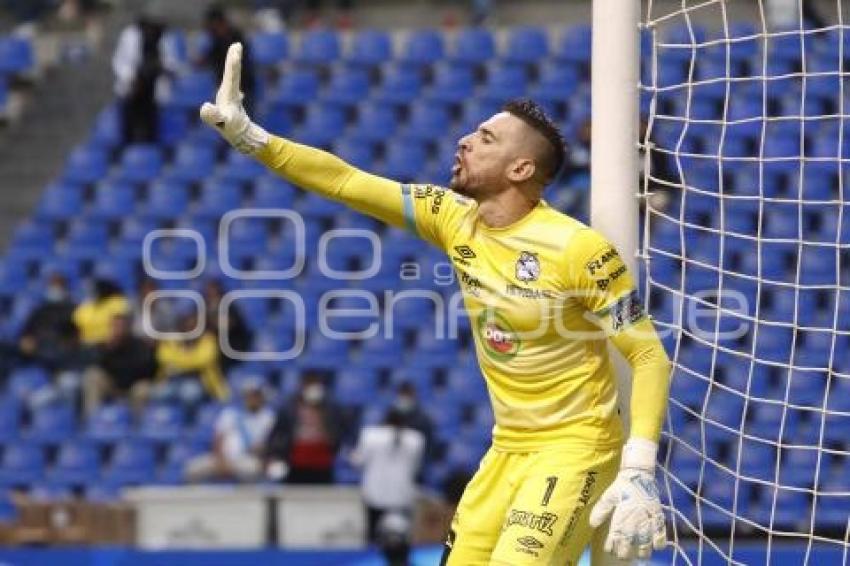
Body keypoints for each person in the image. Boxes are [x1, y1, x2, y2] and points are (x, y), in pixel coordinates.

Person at [201, 44, 671, 564]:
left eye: (485, 138)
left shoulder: (579, 250)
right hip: (506, 450)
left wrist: (638, 468)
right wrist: (251, 138)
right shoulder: (451, 217)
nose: (465, 140)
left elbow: (648, 355)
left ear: (519, 168)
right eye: (472, 132)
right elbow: (345, 181)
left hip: (575, 450)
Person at [351, 408, 425, 545]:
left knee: (373, 535)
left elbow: (359, 461)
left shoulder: (370, 436)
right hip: (402, 494)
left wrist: (350, 456)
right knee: (402, 535)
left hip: (375, 494)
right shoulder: (415, 439)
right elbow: (417, 467)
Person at [185, 376, 275, 483]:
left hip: (247, 459)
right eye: (249, 395)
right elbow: (218, 439)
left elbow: (267, 444)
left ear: (262, 397)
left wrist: (259, 451)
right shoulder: (230, 413)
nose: (252, 398)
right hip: (222, 459)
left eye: (255, 395)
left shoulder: (268, 417)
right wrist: (221, 461)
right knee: (192, 469)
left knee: (253, 470)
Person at [112, 8, 181, 145]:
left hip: (153, 92)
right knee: (128, 132)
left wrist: (162, 66)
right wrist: (132, 78)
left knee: (152, 132)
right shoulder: (129, 35)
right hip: (132, 91)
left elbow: (173, 64)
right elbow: (118, 61)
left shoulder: (165, 37)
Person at [265, 373, 340, 484]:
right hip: (296, 462)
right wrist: (275, 455)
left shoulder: (330, 409)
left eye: (315, 384)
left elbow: (337, 434)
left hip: (323, 462)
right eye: (309, 384)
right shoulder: (289, 408)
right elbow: (277, 433)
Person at [82, 313, 157, 417]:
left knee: (143, 389)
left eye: (121, 326)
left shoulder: (139, 345)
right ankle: (93, 419)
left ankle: (137, 426)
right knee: (92, 375)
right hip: (113, 386)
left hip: (133, 386)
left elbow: (147, 370)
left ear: (128, 328)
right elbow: (96, 364)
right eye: (115, 326)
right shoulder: (105, 346)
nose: (118, 330)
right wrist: (110, 349)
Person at [154, 312, 229, 406]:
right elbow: (163, 358)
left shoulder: (208, 339)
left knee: (189, 393)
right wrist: (190, 361)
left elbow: (204, 360)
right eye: (187, 325)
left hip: (200, 380)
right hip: (172, 380)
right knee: (159, 394)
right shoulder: (171, 339)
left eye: (194, 326)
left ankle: (189, 420)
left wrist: (179, 363)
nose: (190, 329)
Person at [199, 4, 256, 112]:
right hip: (226, 90)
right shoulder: (215, 39)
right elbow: (208, 59)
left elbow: (239, 63)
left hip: (243, 87)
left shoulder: (236, 37)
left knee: (244, 122)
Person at [73, 279, 131, 346]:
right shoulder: (86, 306)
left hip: (110, 344)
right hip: (87, 345)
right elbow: (76, 326)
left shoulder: (117, 302)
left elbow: (120, 325)